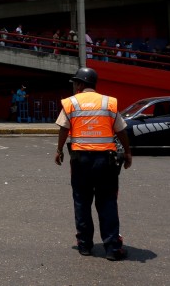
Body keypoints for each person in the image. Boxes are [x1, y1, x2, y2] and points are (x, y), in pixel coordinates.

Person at [54, 67, 132, 261]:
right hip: (106, 161)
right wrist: (128, 152)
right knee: (107, 202)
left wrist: (59, 150)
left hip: (80, 160)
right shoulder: (108, 102)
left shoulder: (71, 102)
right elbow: (121, 130)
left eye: (75, 83)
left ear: (80, 84)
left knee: (82, 201)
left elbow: (63, 128)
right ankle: (112, 248)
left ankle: (85, 246)